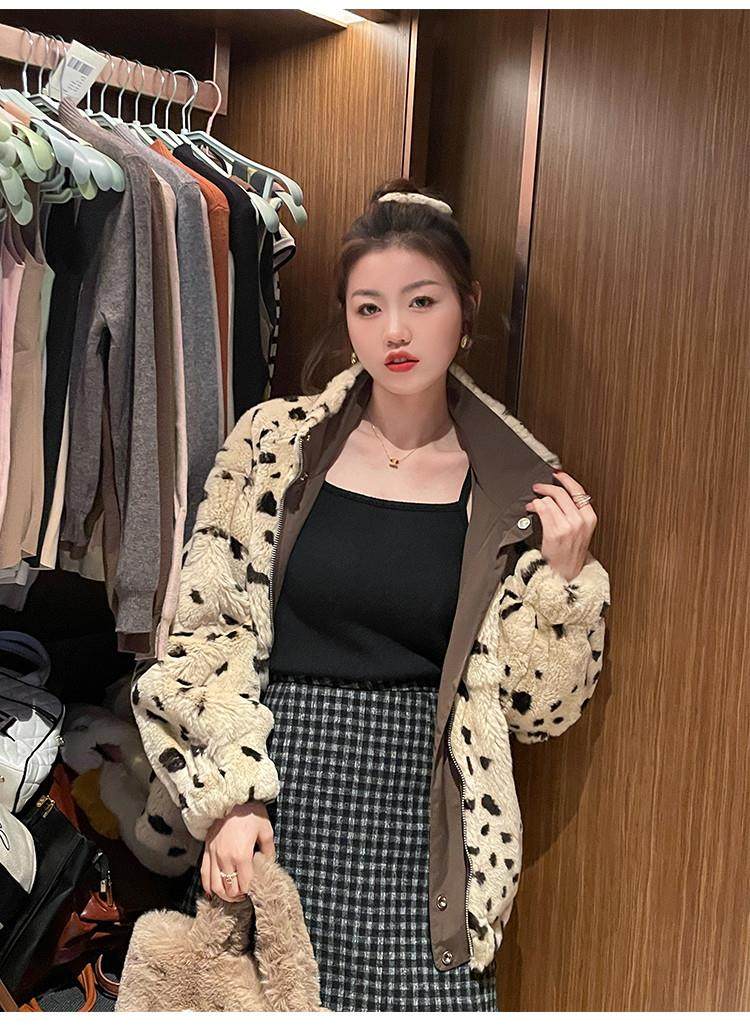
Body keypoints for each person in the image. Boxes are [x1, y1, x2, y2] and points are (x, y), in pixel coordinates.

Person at [134, 176, 608, 1012]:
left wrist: (563, 588)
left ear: (466, 307)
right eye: (368, 307)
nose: (395, 331)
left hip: (425, 821)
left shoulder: (513, 485)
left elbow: (537, 714)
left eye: (421, 301)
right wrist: (231, 796)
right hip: (280, 791)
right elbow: (209, 632)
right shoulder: (274, 446)